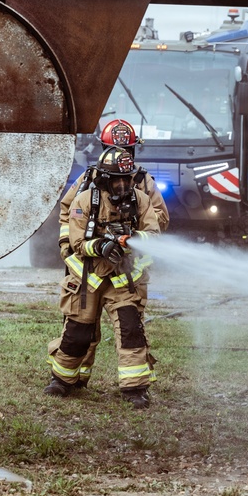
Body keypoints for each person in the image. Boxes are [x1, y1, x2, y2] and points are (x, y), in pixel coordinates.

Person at [44, 146, 160, 409]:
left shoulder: (141, 200)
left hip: (125, 280)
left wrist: (132, 240)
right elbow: (76, 243)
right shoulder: (85, 201)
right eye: (115, 180)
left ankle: (135, 389)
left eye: (126, 179)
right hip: (89, 279)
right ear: (103, 179)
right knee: (77, 333)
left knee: (132, 331)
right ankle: (62, 380)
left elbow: (153, 234)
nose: (122, 185)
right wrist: (100, 246)